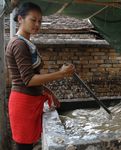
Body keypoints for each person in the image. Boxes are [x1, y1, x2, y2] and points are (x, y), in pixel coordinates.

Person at [5, 2, 75, 150]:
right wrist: (61, 73)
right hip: (23, 103)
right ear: (20, 19)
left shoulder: (26, 43)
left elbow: (33, 76)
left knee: (28, 144)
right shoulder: (19, 44)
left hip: (30, 100)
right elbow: (29, 80)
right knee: (24, 146)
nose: (37, 24)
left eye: (40, 21)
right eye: (33, 19)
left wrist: (48, 91)